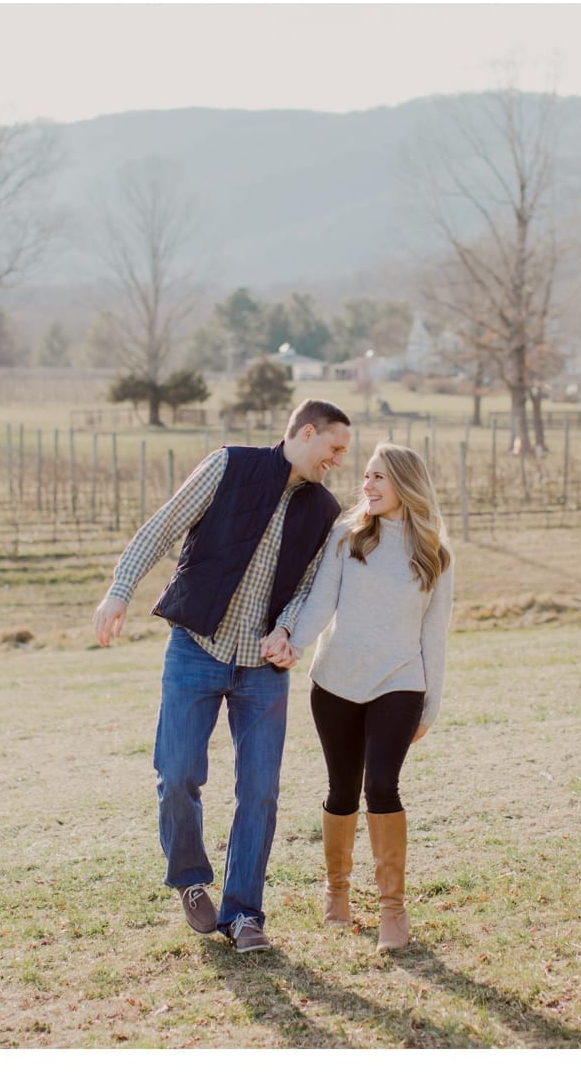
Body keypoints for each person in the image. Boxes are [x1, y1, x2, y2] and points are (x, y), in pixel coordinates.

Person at [92, 399, 352, 953]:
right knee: (178, 771)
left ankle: (243, 915)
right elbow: (162, 528)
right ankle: (190, 880)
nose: (338, 461)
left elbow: (310, 586)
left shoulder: (325, 509)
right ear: (306, 433)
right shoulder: (227, 465)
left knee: (259, 792)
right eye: (334, 448)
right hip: (197, 647)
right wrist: (120, 590)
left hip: (262, 668)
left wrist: (286, 630)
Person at [262, 443, 453, 952]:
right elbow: (322, 599)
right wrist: (293, 641)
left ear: (406, 486)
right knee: (342, 789)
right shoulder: (347, 536)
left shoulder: (434, 551)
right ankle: (337, 890)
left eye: (378, 479)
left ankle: (393, 910)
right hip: (336, 683)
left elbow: (435, 633)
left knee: (383, 787)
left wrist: (431, 703)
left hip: (400, 682)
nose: (366, 486)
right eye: (366, 477)